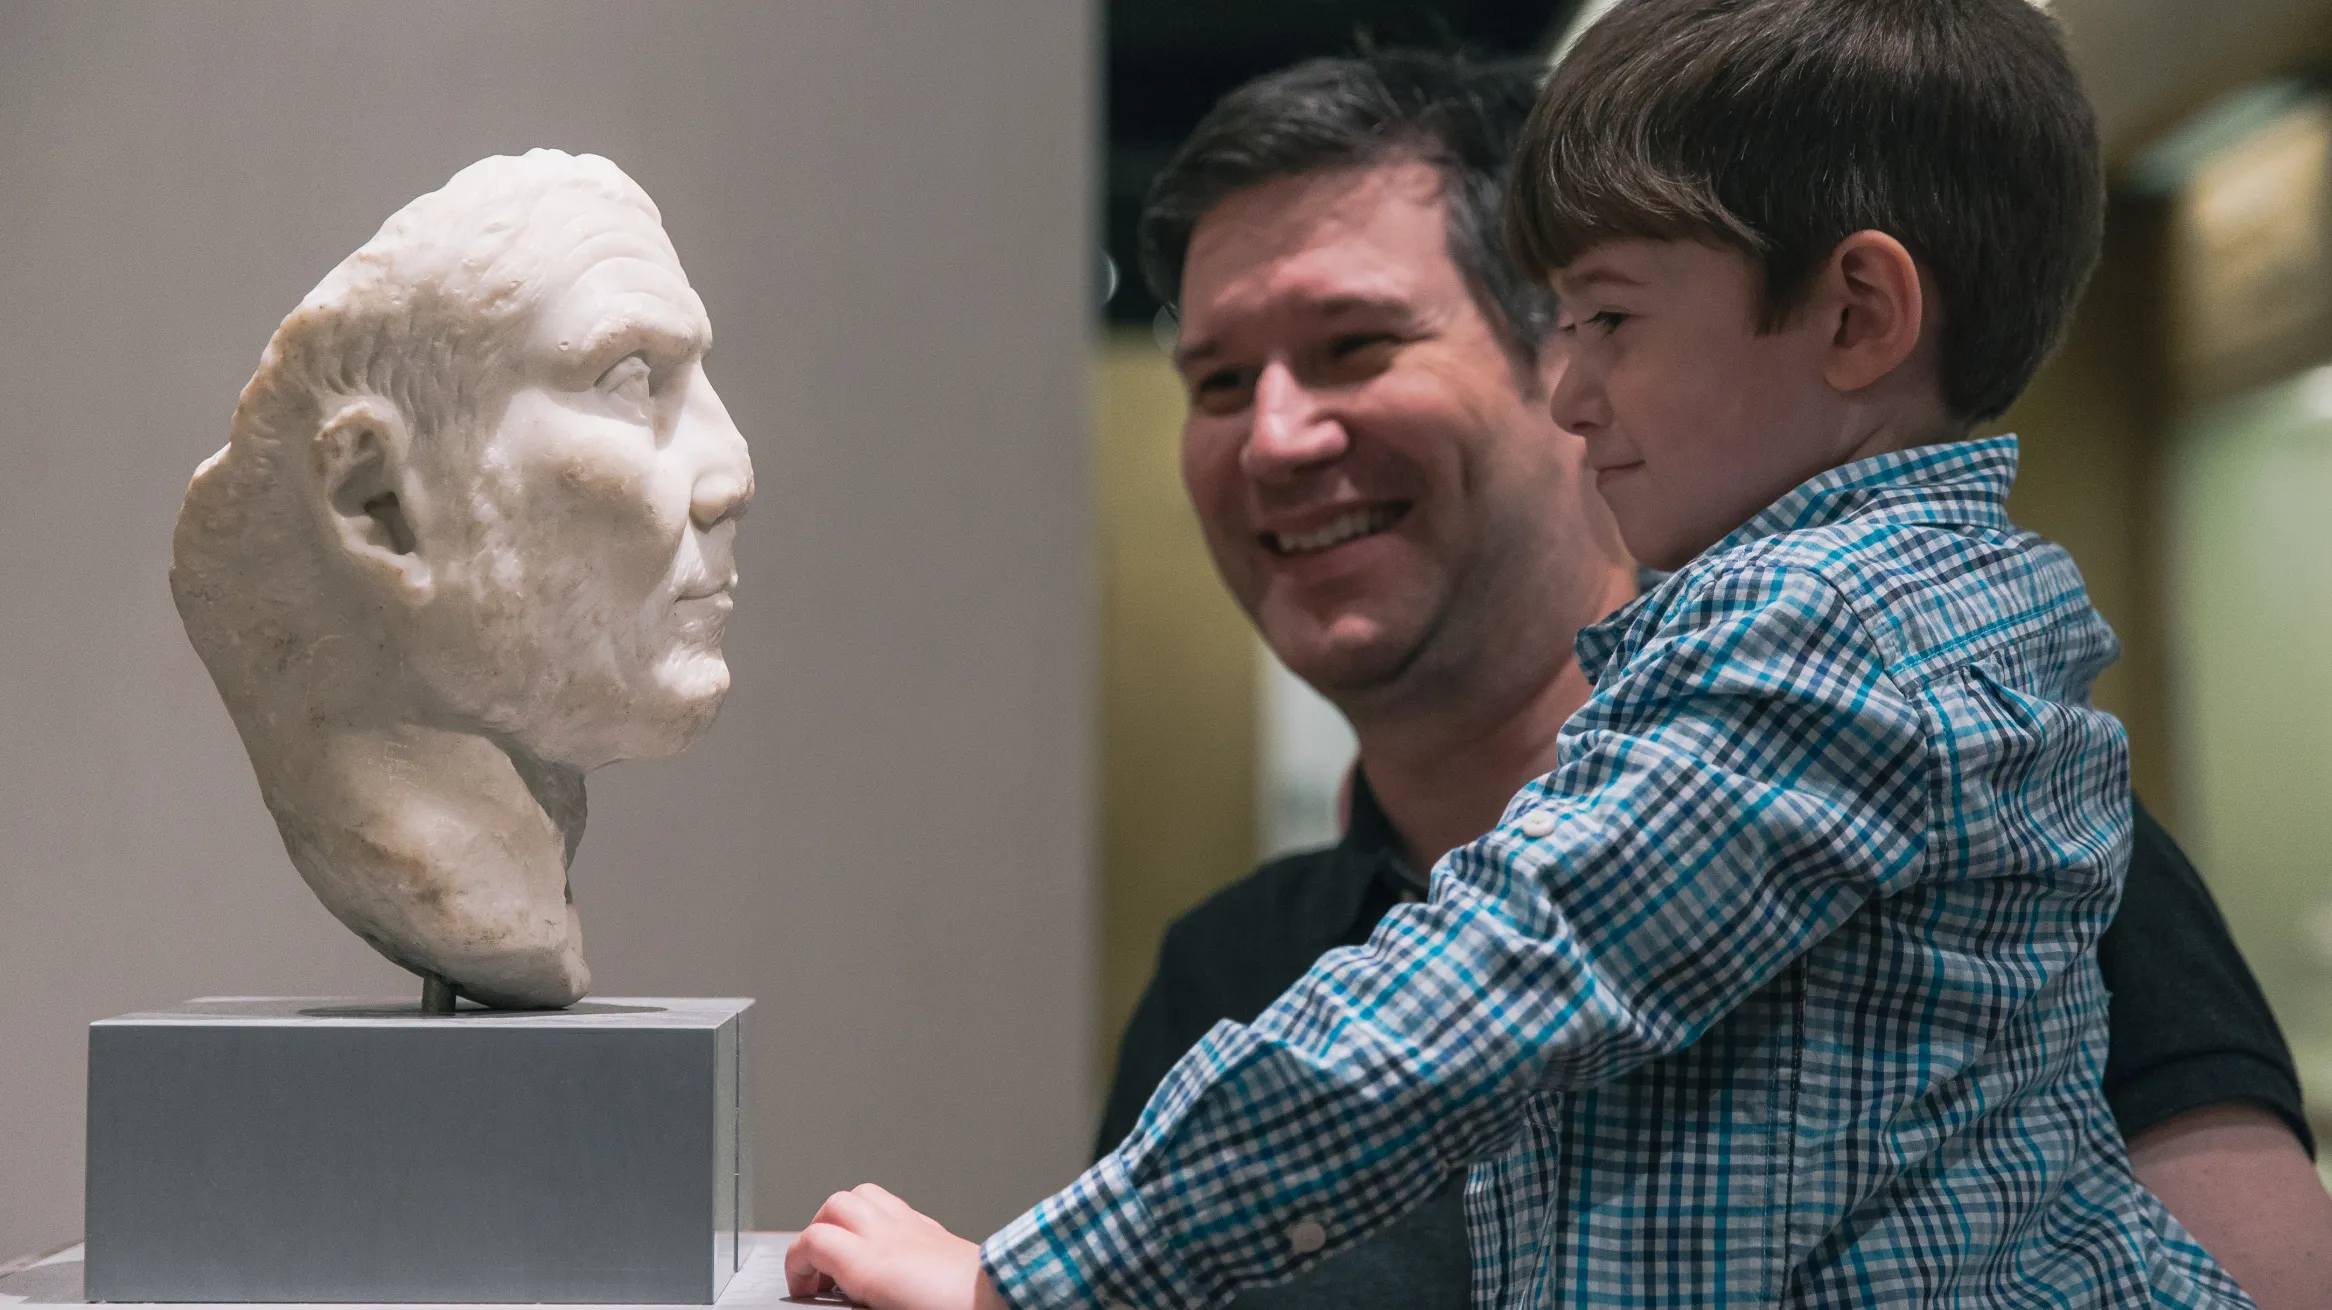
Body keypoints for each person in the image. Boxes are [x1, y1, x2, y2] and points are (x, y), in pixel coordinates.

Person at [786, 2, 2299, 1303]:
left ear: (1856, 312)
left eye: (1607, 319)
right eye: (1216, 376)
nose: (1276, 434)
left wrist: (1023, 1273)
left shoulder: (1848, 661)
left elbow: (1511, 968)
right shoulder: (1231, 961)